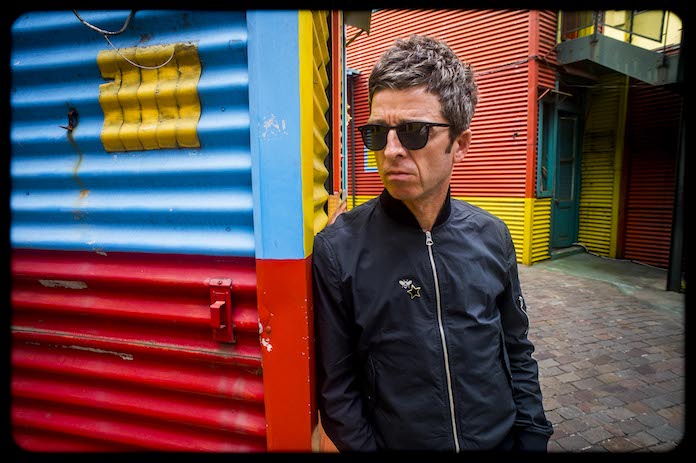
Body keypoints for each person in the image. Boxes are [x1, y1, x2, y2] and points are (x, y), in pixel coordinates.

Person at [312, 34, 554, 452]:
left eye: (413, 132)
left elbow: (516, 349)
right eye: (377, 132)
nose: (391, 151)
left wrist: (532, 435)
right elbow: (337, 386)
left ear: (460, 143)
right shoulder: (338, 249)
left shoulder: (492, 236)